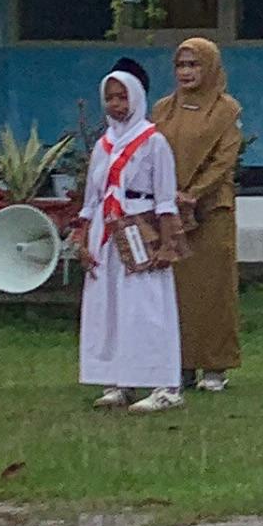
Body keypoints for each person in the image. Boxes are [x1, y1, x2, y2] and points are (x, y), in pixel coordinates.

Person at [78, 62, 184, 411]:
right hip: (107, 230)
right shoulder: (103, 145)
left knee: (147, 306)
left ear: (136, 98)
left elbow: (165, 199)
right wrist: (83, 239)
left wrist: (167, 244)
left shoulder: (153, 141)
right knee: (109, 306)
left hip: (141, 226)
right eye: (109, 98)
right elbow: (91, 199)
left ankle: (165, 384)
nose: (115, 104)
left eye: (122, 97)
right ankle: (119, 380)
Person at [156, 34, 246, 391]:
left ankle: (214, 366)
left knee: (213, 288)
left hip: (212, 210)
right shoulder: (163, 109)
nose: (186, 72)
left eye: (194, 64)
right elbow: (152, 152)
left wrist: (193, 194)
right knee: (174, 289)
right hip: (170, 210)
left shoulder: (227, 110)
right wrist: (167, 195)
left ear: (210, 67)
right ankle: (180, 363)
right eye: (180, 65)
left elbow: (225, 159)